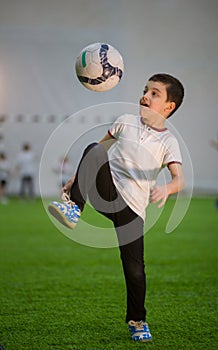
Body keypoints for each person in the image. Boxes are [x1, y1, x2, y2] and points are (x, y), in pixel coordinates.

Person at [48, 73, 185, 343]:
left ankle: (137, 320)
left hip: (132, 210)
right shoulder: (125, 122)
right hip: (106, 192)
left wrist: (166, 189)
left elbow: (179, 179)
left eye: (155, 93)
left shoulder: (169, 142)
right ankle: (74, 209)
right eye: (145, 90)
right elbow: (97, 152)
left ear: (169, 107)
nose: (145, 95)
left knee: (134, 268)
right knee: (92, 148)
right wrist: (76, 178)